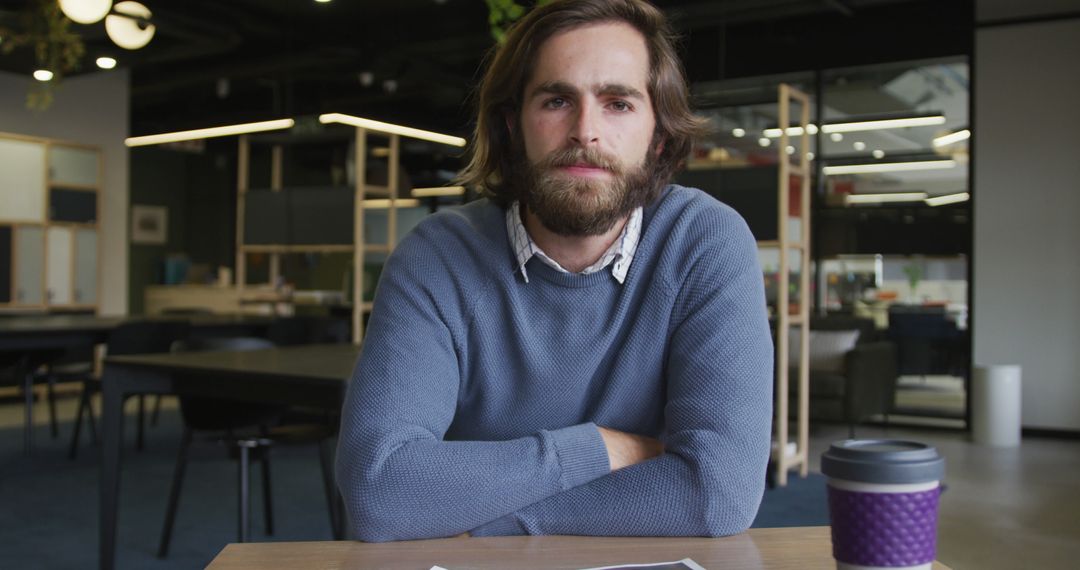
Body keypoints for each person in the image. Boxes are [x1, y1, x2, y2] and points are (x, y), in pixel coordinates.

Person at [336, 0, 773, 542]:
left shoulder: (705, 243)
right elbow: (380, 493)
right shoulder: (438, 256)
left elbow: (716, 494)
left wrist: (487, 519)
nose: (585, 131)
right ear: (512, 124)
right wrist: (600, 449)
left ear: (658, 136)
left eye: (618, 103)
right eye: (557, 99)